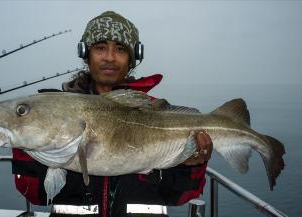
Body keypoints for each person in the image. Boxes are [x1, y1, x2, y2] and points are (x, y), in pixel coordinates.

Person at [12, 11, 213, 217]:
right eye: (100, 47)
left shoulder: (156, 112)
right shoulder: (54, 112)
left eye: (120, 49)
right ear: (86, 54)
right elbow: (36, 195)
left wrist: (192, 165)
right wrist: (26, 142)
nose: (109, 57)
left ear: (133, 58)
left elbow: (177, 197)